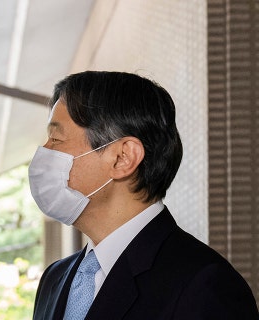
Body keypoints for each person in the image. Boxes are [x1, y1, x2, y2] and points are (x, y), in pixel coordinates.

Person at [29, 71, 259, 319]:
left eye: (55, 138)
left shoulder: (204, 285)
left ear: (122, 158)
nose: (44, 151)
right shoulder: (54, 278)